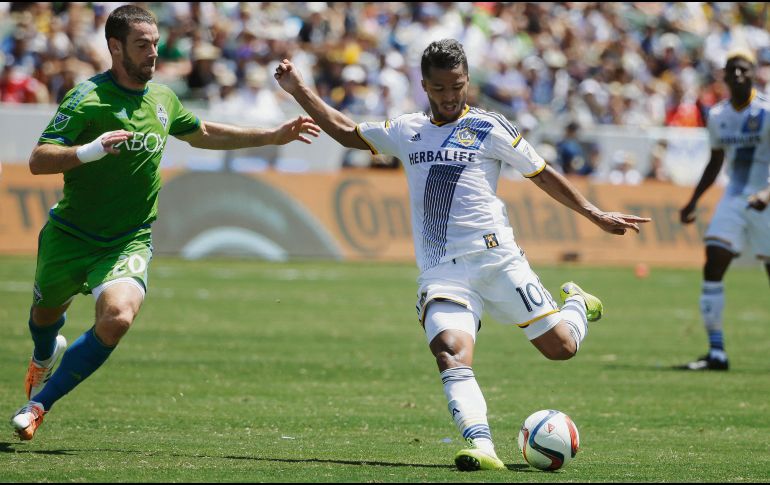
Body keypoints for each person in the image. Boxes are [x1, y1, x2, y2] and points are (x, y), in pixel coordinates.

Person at [274, 39, 649, 471]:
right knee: (450, 350)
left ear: (467, 80)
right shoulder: (407, 129)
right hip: (442, 272)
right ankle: (482, 446)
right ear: (424, 86)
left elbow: (541, 174)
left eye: (457, 86)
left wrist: (593, 212)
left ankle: (578, 304)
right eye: (439, 88)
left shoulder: (492, 128)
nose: (449, 97)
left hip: (498, 260)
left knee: (561, 348)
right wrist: (298, 89)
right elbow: (345, 132)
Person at [10, 4, 320, 441]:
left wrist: (270, 135)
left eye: (155, 44)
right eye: (142, 45)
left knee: (117, 317)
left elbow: (204, 133)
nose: (153, 53)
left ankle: (39, 404)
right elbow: (39, 160)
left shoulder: (163, 98)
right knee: (44, 320)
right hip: (70, 236)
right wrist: (89, 151)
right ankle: (44, 354)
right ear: (115, 48)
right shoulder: (87, 98)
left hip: (126, 240)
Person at [678, 48, 770, 371]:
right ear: (725, 76)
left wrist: (767, 194)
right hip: (734, 198)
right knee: (713, 263)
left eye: (744, 69)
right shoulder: (717, 115)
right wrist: (693, 201)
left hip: (767, 199)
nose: (738, 75)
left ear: (755, 72)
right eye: (732, 70)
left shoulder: (768, 110)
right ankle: (716, 352)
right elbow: (716, 162)